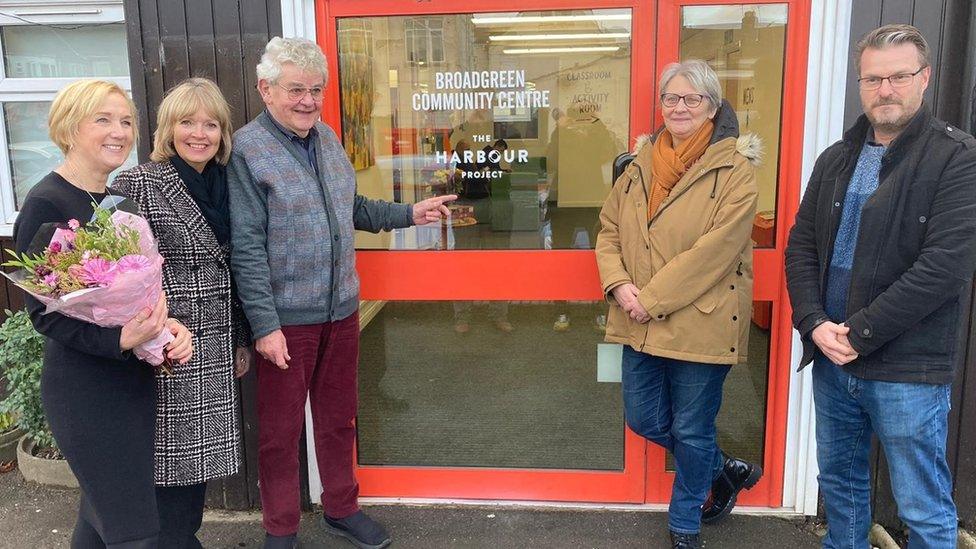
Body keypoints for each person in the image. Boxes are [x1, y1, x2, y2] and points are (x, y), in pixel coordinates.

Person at [227, 37, 455, 549]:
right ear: (266, 90)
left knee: (337, 419)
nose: (307, 100)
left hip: (341, 311)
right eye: (295, 90)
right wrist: (265, 326)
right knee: (281, 434)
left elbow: (350, 208)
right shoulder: (247, 150)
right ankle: (281, 528)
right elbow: (246, 246)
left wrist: (408, 214)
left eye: (316, 90)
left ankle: (341, 508)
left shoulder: (327, 138)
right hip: (287, 320)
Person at [785, 24, 976, 549]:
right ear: (859, 82)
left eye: (898, 76)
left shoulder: (957, 158)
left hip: (906, 366)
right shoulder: (835, 159)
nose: (884, 90)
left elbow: (946, 267)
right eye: (873, 79)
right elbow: (801, 249)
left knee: (922, 504)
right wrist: (815, 323)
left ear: (925, 78)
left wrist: (858, 333)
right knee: (841, 489)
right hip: (831, 358)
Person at [13, 79, 194, 548]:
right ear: (70, 127)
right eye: (103, 119)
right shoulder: (47, 202)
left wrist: (164, 326)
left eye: (127, 121)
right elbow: (46, 315)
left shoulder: (116, 200)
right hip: (85, 393)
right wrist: (120, 342)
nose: (120, 131)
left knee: (101, 521)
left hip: (130, 384)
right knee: (135, 531)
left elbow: (132, 294)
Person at [595, 60, 761, 549]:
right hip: (637, 316)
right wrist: (618, 283)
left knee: (690, 428)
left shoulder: (734, 169)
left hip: (699, 320)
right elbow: (609, 231)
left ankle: (685, 521)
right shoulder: (638, 164)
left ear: (712, 106)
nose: (680, 107)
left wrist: (649, 299)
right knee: (643, 418)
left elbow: (713, 252)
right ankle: (724, 469)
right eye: (671, 98)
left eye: (692, 99)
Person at [113, 77, 250, 549]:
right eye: (187, 122)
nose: (200, 133)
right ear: (167, 128)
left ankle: (180, 537)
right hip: (167, 344)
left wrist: (242, 338)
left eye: (211, 123)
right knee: (168, 466)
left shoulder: (230, 181)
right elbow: (116, 275)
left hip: (216, 340)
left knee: (196, 469)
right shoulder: (138, 183)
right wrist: (154, 333)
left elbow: (239, 265)